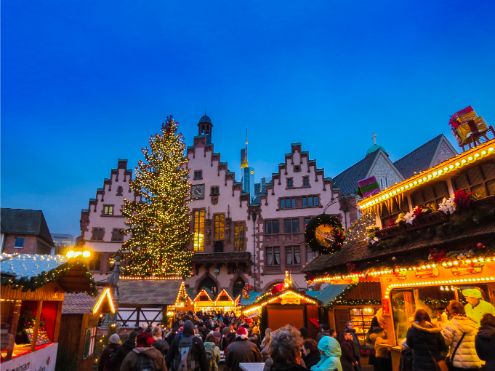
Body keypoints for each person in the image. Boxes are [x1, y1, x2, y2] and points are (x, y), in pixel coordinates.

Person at [441, 300, 483, 370]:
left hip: (459, 363)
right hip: (474, 361)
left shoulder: (452, 324)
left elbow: (445, 342)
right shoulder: (473, 323)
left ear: (452, 311)